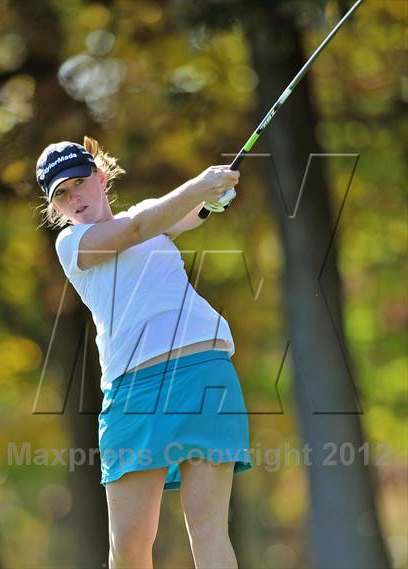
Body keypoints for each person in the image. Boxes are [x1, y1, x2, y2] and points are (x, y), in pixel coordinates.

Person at [36, 136, 253, 569]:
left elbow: (183, 214)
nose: (74, 198)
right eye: (61, 193)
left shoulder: (147, 213)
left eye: (80, 182)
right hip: (134, 393)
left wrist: (213, 197)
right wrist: (197, 188)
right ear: (53, 206)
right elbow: (138, 228)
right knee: (129, 549)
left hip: (204, 374)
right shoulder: (72, 245)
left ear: (100, 177)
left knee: (209, 529)